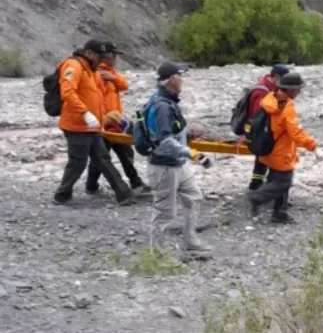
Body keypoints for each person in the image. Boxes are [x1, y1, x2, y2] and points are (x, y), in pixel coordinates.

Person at [52, 40, 135, 206]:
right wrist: (84, 112)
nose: (102, 60)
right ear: (89, 53)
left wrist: (108, 117)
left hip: (93, 125)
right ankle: (62, 194)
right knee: (78, 162)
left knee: (103, 158)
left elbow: (100, 96)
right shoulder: (74, 66)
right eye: (99, 56)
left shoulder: (93, 70)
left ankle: (123, 193)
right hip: (76, 125)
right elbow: (67, 92)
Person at [144, 61, 213, 260]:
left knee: (194, 197)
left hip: (177, 165)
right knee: (164, 212)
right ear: (172, 79)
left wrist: (189, 135)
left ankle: (190, 242)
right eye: (180, 76)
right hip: (164, 167)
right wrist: (193, 154)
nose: (182, 80)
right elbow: (163, 142)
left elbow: (171, 133)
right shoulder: (162, 106)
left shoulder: (167, 100)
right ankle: (158, 256)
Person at [246, 72, 317, 223]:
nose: (299, 92)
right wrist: (313, 146)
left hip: (268, 149)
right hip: (281, 152)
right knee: (284, 182)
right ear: (291, 90)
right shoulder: (287, 107)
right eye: (298, 89)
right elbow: (296, 132)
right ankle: (256, 198)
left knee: (275, 179)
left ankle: (280, 213)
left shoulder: (269, 99)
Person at [85, 43, 149, 195]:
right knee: (113, 155)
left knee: (106, 156)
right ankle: (135, 184)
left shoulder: (109, 72)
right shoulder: (97, 74)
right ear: (106, 55)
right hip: (106, 122)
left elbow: (124, 85)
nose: (115, 58)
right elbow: (95, 98)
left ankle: (92, 186)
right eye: (113, 54)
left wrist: (113, 78)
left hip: (115, 121)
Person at [246, 64, 290, 191]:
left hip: (264, 132)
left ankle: (258, 184)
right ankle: (262, 186)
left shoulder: (271, 88)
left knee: (265, 158)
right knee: (271, 155)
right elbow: (257, 117)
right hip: (259, 133)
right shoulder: (261, 92)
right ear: (276, 77)